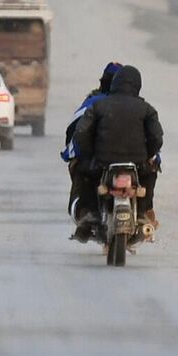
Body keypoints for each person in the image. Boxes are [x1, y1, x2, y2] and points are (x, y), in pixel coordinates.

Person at [70, 64, 163, 237]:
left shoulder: (98, 106)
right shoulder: (147, 109)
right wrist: (148, 156)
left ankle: (89, 212)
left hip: (103, 162)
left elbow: (81, 132)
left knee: (85, 173)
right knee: (151, 173)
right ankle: (143, 212)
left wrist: (90, 154)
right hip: (137, 163)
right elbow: (156, 138)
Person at [63, 62, 122, 238]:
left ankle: (85, 211)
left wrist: (70, 153)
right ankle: (144, 212)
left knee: (82, 172)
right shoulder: (137, 104)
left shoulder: (93, 103)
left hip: (98, 159)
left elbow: (74, 130)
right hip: (133, 159)